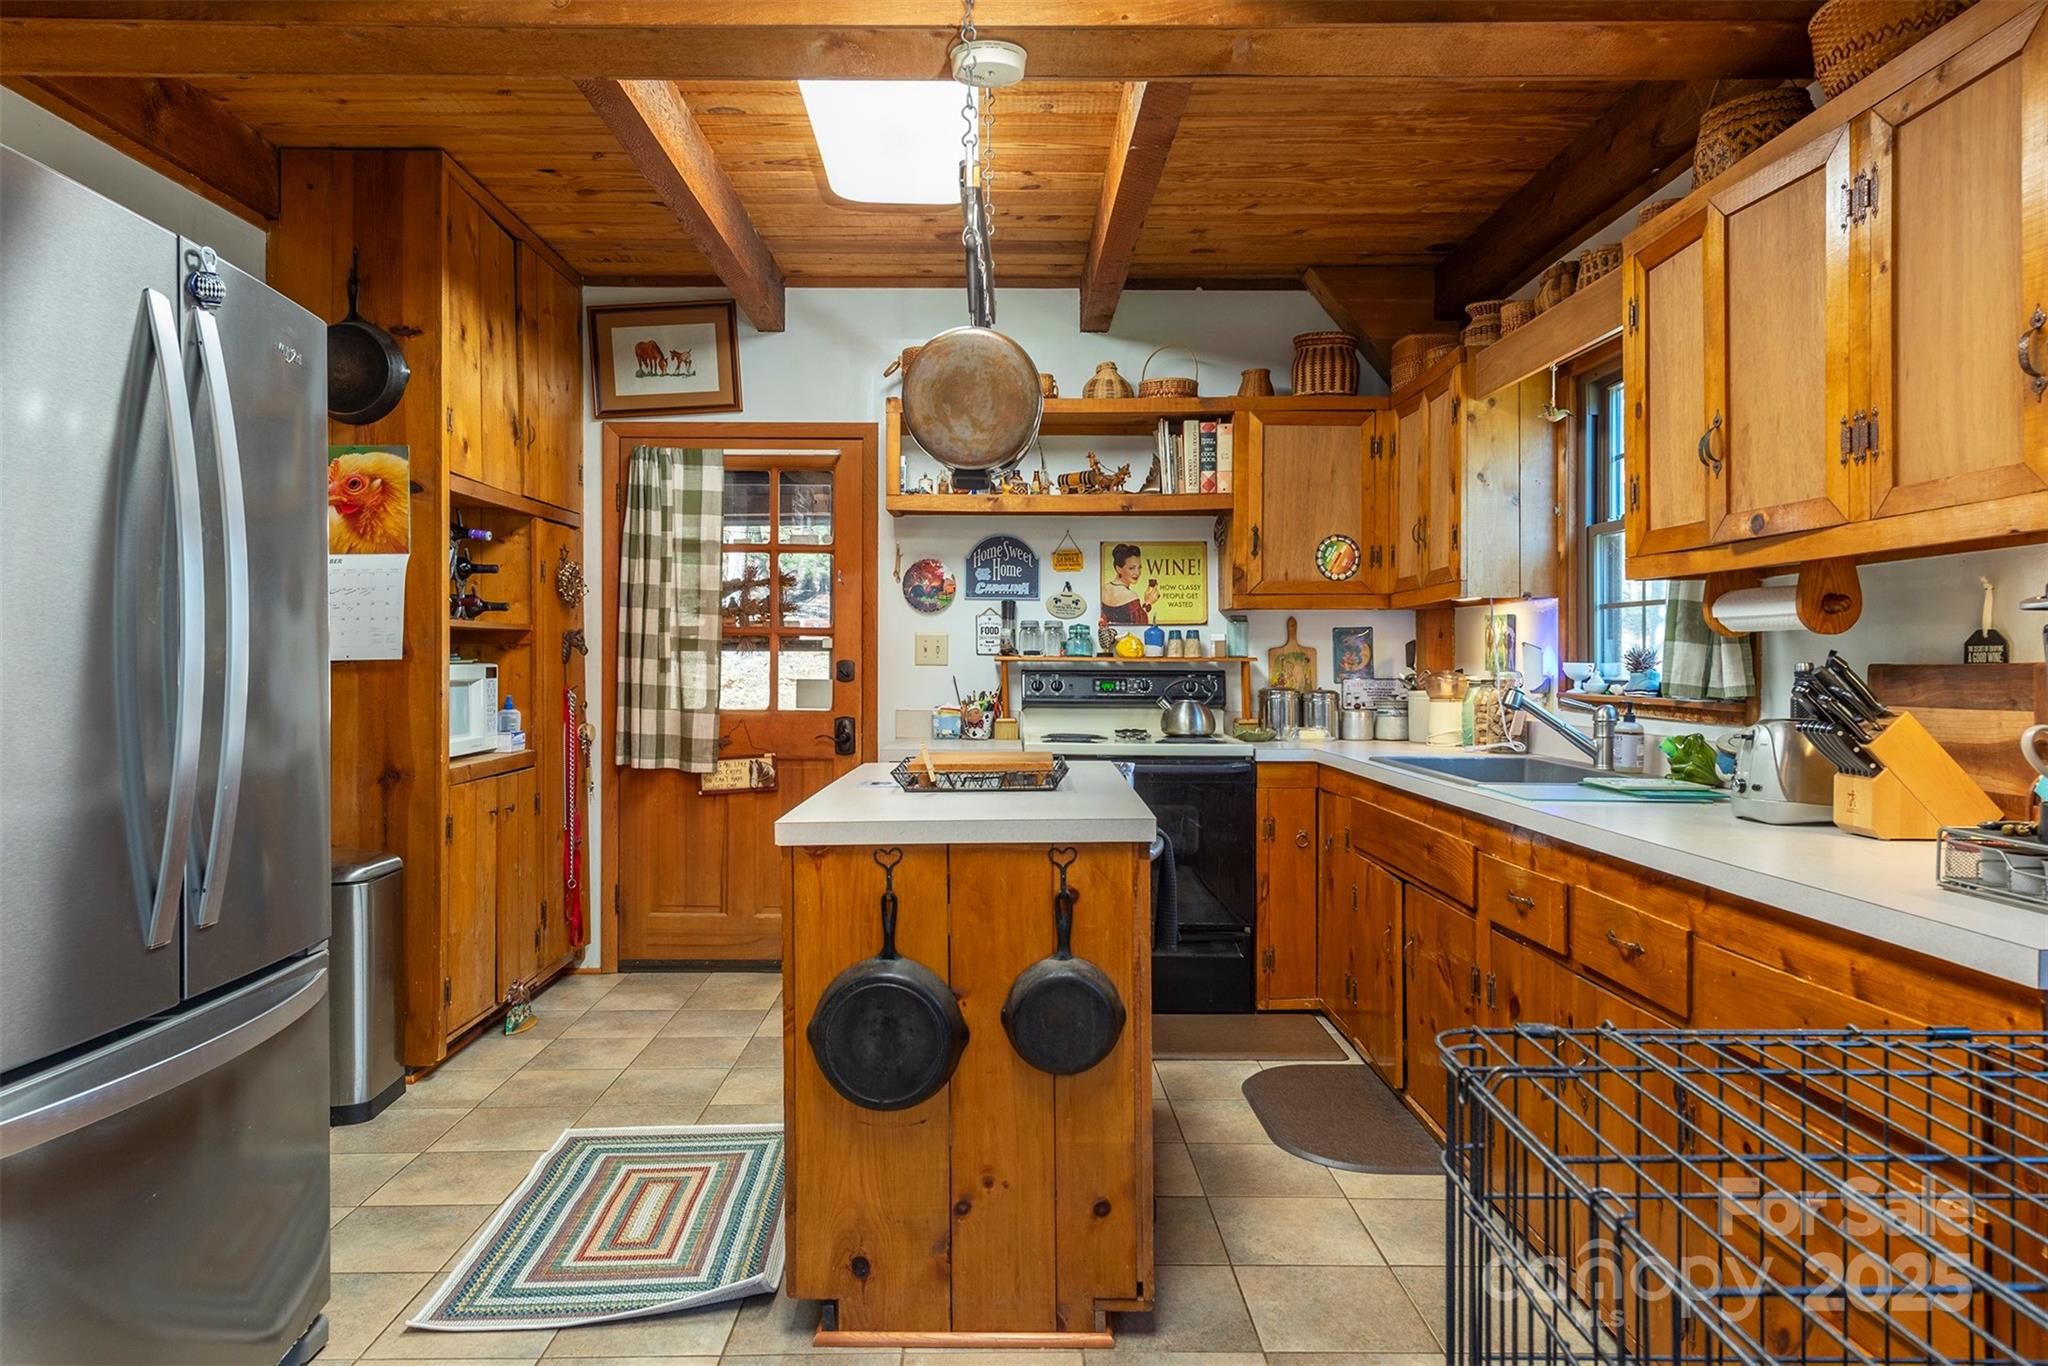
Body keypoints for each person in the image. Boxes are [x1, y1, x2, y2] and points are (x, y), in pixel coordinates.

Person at [1099, 542, 1159, 625]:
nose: (1137, 573)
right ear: (1119, 569)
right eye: (1131, 568)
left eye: (1139, 567)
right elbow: (1140, 624)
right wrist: (1148, 602)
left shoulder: (1104, 588)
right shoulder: (1130, 595)